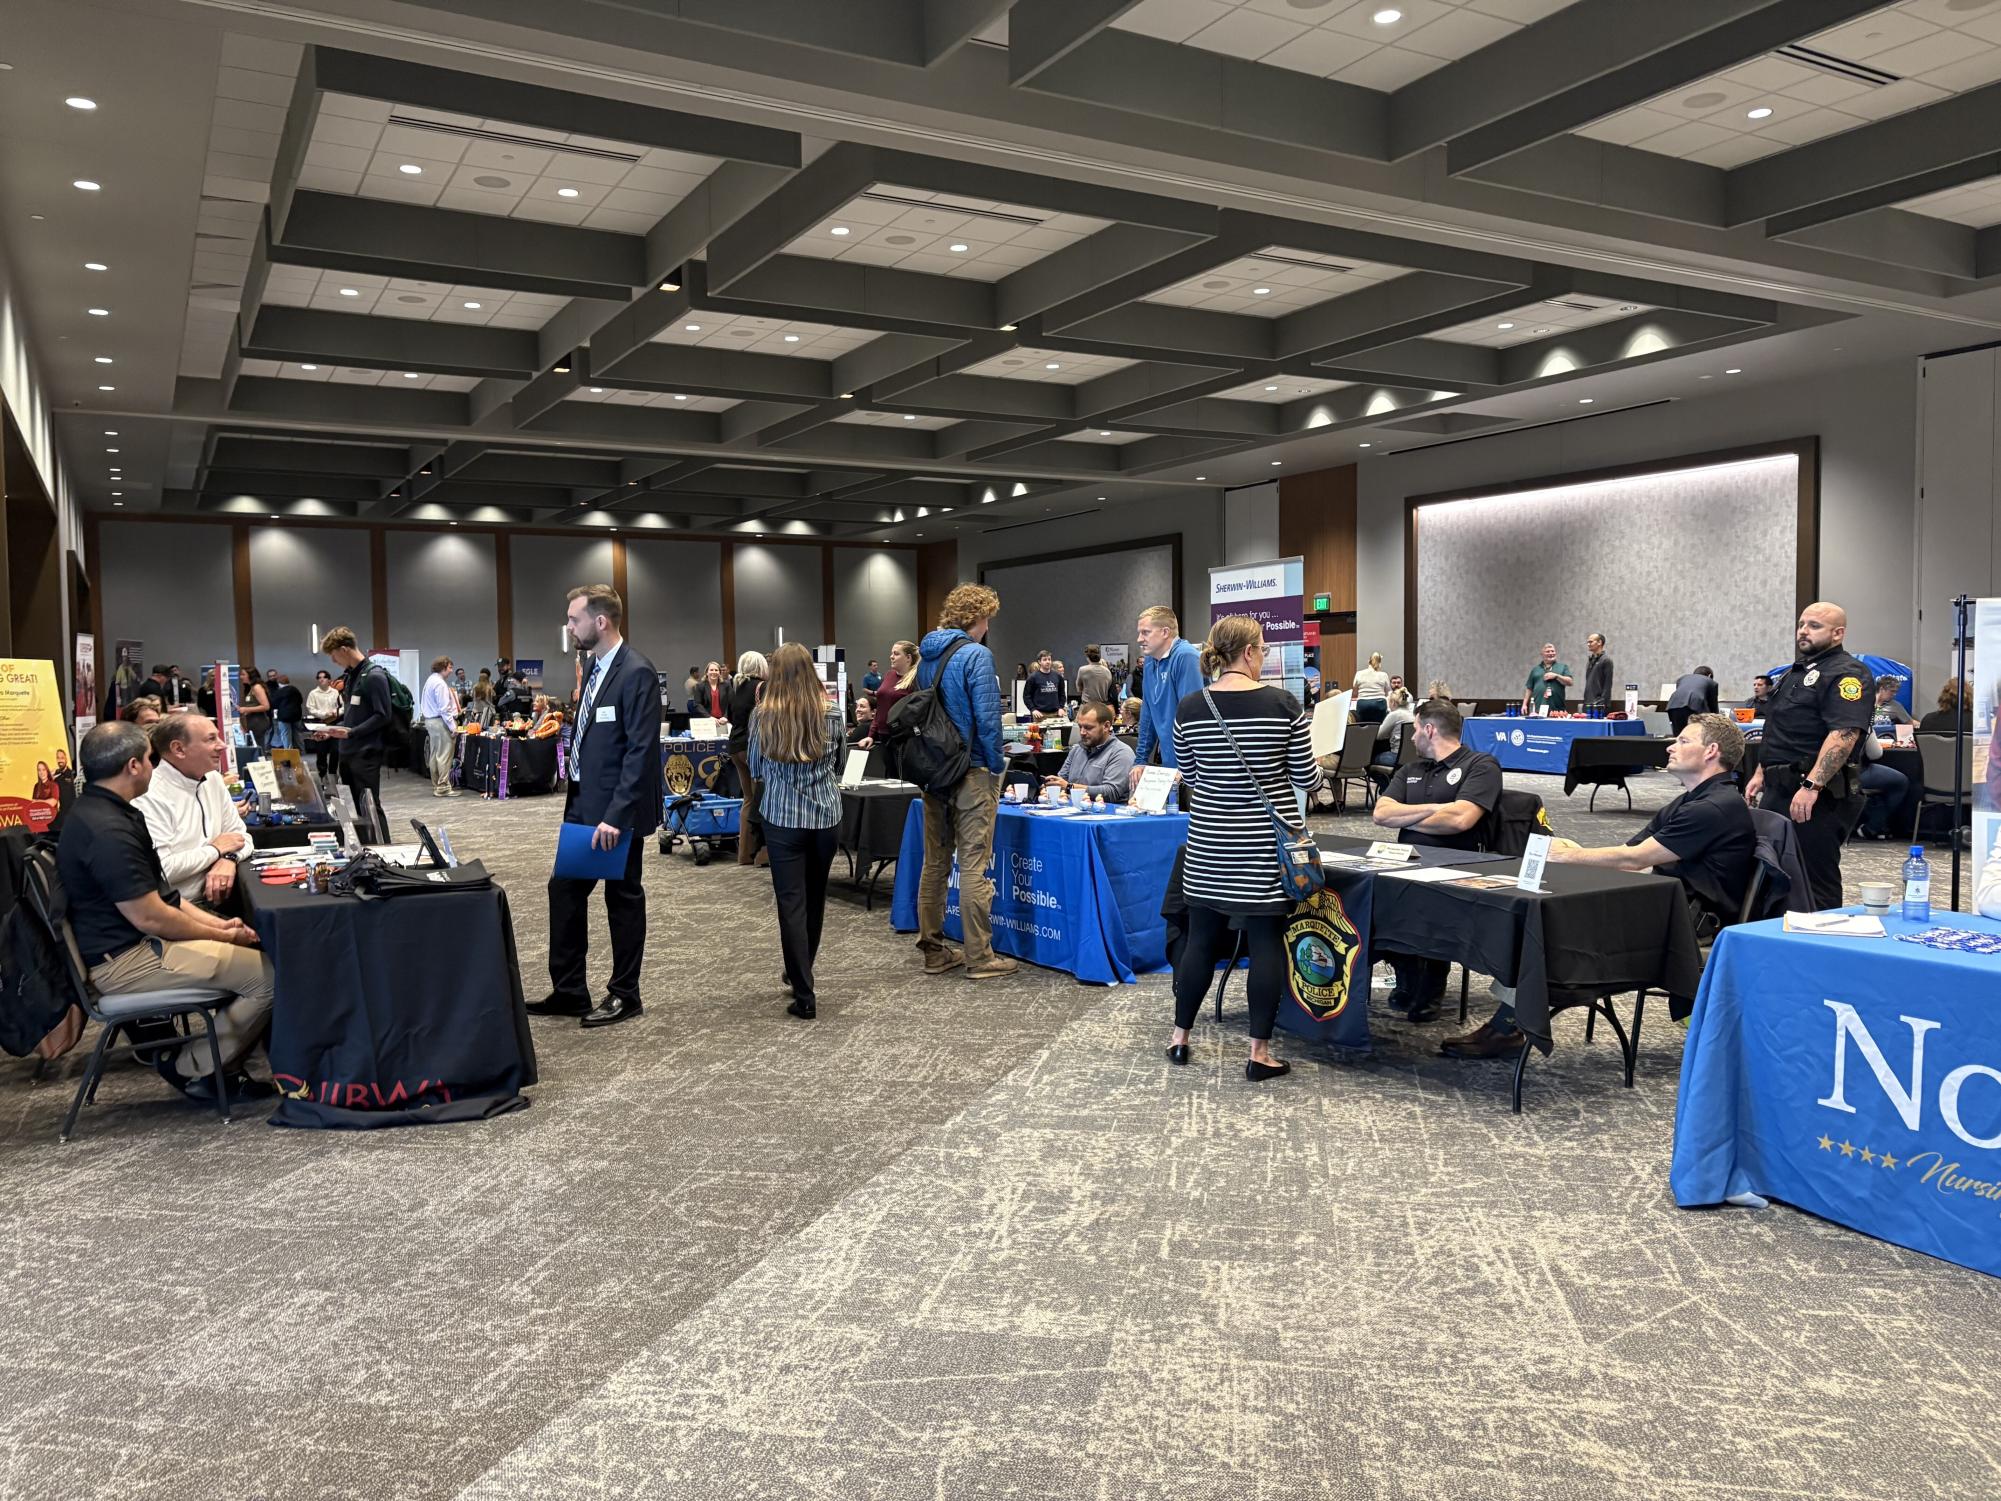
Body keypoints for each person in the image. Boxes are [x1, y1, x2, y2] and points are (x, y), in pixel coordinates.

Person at [1443, 712, 1757, 1060]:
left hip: (1683, 927)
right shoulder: (1690, 800)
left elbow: (1635, 860)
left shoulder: (1713, 807)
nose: (1671, 746)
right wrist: (1578, 851)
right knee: (1539, 913)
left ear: (1712, 751)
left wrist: (1568, 857)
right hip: (1660, 904)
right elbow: (1631, 852)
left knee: (1544, 926)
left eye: (1683, 741)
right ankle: (1512, 1020)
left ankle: (1512, 1024)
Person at [57, 721, 276, 1103]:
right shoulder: (108, 830)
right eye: (148, 758)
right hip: (127, 960)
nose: (152, 765)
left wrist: (220, 925)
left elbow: (165, 899)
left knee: (257, 954)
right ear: (133, 767)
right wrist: (223, 934)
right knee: (269, 977)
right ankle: (193, 1067)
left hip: (136, 944)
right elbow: (152, 917)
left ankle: (218, 1062)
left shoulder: (108, 813)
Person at [1164, 615, 1320, 1080]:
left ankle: (1180, 1040)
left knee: (1201, 941)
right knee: (1266, 942)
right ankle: (1258, 1053)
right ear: (1250, 653)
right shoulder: (1283, 704)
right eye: (1264, 650)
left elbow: (1189, 778)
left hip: (1207, 846)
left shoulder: (1190, 707)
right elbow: (1308, 779)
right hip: (1261, 851)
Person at [531, 584, 663, 1030]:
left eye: (574, 619)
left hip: (615, 814)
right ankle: (570, 990)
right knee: (564, 891)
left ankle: (626, 994)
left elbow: (640, 752)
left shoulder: (637, 672)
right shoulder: (592, 665)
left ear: (600, 622)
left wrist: (616, 816)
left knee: (622, 897)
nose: (569, 627)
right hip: (583, 804)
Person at [1370, 700, 1504, 1023]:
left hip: (1458, 872)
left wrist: (1407, 818)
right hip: (1405, 866)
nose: (1413, 738)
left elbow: (1460, 820)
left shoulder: (1481, 766)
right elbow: (1381, 814)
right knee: (1369, 898)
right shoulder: (1410, 770)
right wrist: (1435, 809)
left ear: (1429, 730)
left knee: (1428, 905)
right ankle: (1407, 975)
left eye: (1415, 730)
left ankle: (1429, 984)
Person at [914, 583, 1015, 981]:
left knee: (935, 862)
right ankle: (980, 957)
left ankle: (934, 951)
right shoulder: (976, 656)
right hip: (971, 770)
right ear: (978, 617)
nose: (988, 625)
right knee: (973, 863)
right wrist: (995, 766)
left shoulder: (925, 657)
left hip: (933, 771)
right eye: (988, 617)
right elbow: (988, 721)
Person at [1745, 601, 1872, 911]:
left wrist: (1812, 785)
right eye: (1801, 624)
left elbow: (1844, 735)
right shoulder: (1796, 671)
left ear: (1838, 633)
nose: (1803, 631)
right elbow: (1781, 728)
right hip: (1779, 787)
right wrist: (1762, 772)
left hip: (1815, 793)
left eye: (1814, 626)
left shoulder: (1847, 674)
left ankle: (1824, 945)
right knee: (1775, 872)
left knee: (1813, 877)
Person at [747, 642, 847, 1020]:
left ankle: (803, 989)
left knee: (791, 903)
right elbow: (839, 765)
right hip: (825, 818)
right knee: (815, 899)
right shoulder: (833, 712)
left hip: (782, 819)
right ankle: (799, 970)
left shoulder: (763, 715)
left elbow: (755, 766)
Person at [135, 713, 250, 906]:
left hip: (221, 899)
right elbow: (163, 869)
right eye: (211, 739)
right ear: (178, 749)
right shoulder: (150, 794)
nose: (222, 745)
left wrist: (229, 858)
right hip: (179, 909)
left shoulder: (212, 778)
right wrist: (215, 849)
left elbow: (241, 837)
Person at [312, 627, 395, 845]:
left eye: (334, 655)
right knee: (352, 809)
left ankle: (385, 851)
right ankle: (362, 851)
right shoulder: (351, 677)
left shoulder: (374, 676)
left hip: (366, 753)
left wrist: (352, 733)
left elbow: (383, 716)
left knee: (370, 807)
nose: (333, 660)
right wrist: (331, 732)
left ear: (344, 649)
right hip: (347, 752)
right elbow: (352, 716)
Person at [1128, 605, 1205, 796]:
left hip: (1192, 769)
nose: (1139, 639)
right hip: (1170, 764)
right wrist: (1140, 760)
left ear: (1165, 632)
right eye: (1139, 633)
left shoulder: (1186, 657)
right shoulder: (1150, 662)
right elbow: (1148, 714)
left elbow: (1192, 717)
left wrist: (1186, 766)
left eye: (1145, 632)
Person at [727, 651, 770, 866]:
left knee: (748, 799)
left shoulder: (734, 688)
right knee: (762, 798)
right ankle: (762, 854)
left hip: (734, 746)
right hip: (753, 748)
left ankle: (744, 854)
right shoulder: (762, 687)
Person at [1045, 701, 1134, 801]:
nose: (1082, 732)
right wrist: (1052, 784)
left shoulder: (1121, 753)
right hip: (1074, 808)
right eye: (1080, 727)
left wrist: (1070, 787)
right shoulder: (1077, 749)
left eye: (1088, 728)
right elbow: (1062, 780)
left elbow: (1111, 792)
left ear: (1106, 726)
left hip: (1106, 812)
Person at [861, 640, 919, 752]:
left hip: (902, 739)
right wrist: (871, 735)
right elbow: (880, 708)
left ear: (908, 658)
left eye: (896, 654)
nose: (891, 657)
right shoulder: (889, 675)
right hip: (882, 735)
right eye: (891, 653)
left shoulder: (916, 680)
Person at [419, 655, 462, 798]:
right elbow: (444, 709)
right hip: (439, 721)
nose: (451, 670)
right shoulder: (440, 684)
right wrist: (453, 727)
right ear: (443, 667)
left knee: (435, 755)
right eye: (450, 667)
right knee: (444, 755)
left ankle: (437, 784)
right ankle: (443, 787)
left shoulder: (430, 681)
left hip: (430, 721)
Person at [305, 668, 343, 780]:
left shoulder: (335, 692)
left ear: (329, 680)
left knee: (335, 750)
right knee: (321, 751)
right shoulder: (313, 693)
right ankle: (322, 774)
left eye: (324, 677)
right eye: (319, 678)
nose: (321, 680)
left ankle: (332, 774)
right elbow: (310, 708)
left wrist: (336, 713)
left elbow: (342, 707)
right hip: (320, 723)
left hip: (334, 723)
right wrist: (323, 714)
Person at [1665, 665, 1719, 735]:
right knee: (1698, 735)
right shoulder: (1711, 682)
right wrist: (1717, 720)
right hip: (1695, 707)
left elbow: (1681, 694)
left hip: (1673, 706)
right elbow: (1713, 706)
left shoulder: (1682, 679)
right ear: (1710, 676)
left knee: (1679, 735)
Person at [1521, 643, 1571, 715]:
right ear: (1542, 654)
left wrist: (1556, 676)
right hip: (1537, 710)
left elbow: (1570, 682)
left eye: (1552, 651)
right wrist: (1524, 704)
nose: (1551, 653)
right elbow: (1529, 688)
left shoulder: (1563, 667)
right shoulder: (1535, 669)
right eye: (1548, 651)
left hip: (1557, 711)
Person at [1351, 652, 1392, 723]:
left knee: (1363, 725)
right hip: (1379, 703)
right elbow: (1388, 691)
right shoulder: (1383, 675)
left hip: (1363, 703)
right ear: (1380, 663)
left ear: (1368, 661)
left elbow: (1354, 687)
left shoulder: (1359, 674)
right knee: (1379, 725)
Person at [269, 671, 305, 749]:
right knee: (298, 734)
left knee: (285, 735)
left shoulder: (280, 691)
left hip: (284, 717)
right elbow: (301, 700)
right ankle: (302, 751)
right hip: (297, 715)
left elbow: (274, 704)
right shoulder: (295, 689)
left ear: (279, 683)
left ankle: (289, 753)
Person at [1581, 633, 1615, 714]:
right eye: (1588, 642)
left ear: (1599, 642)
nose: (1588, 644)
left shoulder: (1606, 661)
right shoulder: (1590, 660)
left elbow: (1607, 685)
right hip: (1588, 704)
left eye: (1591, 642)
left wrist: (1602, 704)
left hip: (1599, 706)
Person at [1024, 650, 1066, 716]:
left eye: (1049, 659)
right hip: (1039, 713)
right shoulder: (1033, 677)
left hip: (1056, 712)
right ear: (1039, 662)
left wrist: (1061, 707)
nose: (1048, 662)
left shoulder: (1058, 676)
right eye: (1044, 660)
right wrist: (1033, 709)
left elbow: (1062, 694)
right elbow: (1027, 696)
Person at [239, 667, 272, 749]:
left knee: (259, 748)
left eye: (243, 674)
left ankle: (262, 761)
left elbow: (266, 706)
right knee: (256, 747)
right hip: (252, 721)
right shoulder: (250, 688)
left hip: (259, 722)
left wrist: (247, 709)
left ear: (250, 675)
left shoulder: (257, 687)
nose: (241, 677)